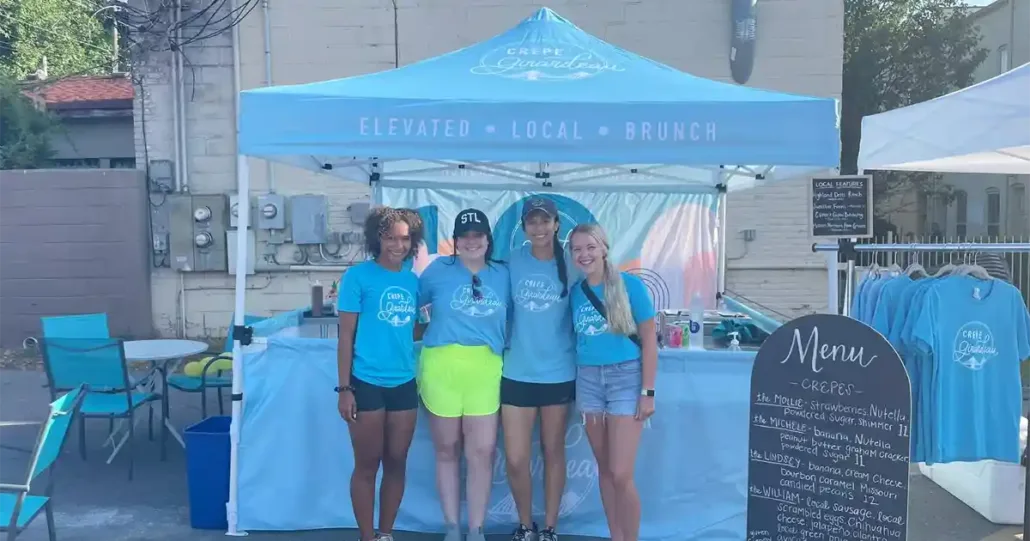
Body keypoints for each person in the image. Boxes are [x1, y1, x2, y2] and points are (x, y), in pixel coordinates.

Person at [418, 208, 510, 541]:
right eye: (464, 237)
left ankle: (476, 528)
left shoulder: (504, 274)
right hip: (441, 365)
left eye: (478, 236)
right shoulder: (437, 271)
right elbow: (411, 305)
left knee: (482, 451)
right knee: (446, 448)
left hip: (485, 368)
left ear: (488, 239)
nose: (472, 242)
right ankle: (452, 527)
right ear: (455, 242)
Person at [336, 206, 424, 541]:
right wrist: (345, 388)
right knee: (368, 463)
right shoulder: (358, 277)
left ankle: (386, 533)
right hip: (366, 383)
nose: (398, 245)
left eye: (404, 238)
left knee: (397, 462)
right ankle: (366, 536)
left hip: (404, 383)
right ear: (378, 238)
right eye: (390, 238)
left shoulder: (413, 281)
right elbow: (345, 335)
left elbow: (414, 329)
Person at [567, 223, 658, 541]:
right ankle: (615, 535)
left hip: (625, 378)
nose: (584, 254)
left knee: (621, 473)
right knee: (604, 469)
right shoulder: (576, 293)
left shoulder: (630, 286)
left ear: (604, 248)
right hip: (589, 380)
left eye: (590, 247)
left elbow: (649, 340)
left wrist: (647, 392)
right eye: (577, 249)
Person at [502, 197, 577, 541]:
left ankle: (549, 527)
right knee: (516, 458)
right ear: (524, 227)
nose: (539, 228)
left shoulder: (572, 262)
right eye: (532, 222)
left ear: (556, 224)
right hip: (516, 372)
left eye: (545, 221)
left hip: (558, 373)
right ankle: (524, 524)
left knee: (553, 452)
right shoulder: (512, 261)